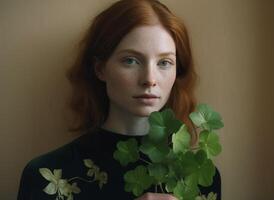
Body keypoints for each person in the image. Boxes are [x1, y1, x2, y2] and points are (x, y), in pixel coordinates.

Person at [17, 0, 221, 199]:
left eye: (164, 62)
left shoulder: (198, 176)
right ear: (100, 69)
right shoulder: (45, 177)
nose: (149, 79)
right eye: (130, 60)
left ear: (177, 71)